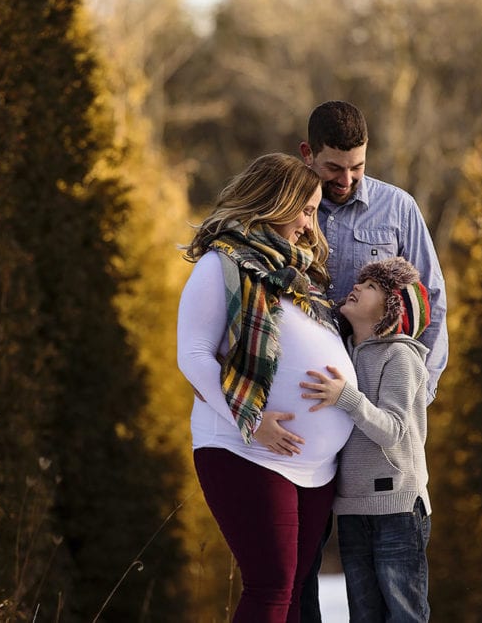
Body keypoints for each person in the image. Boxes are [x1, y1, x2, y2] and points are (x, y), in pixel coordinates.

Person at [176, 153, 358, 623]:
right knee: (272, 585)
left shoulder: (298, 278)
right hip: (246, 451)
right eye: (306, 209)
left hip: (314, 468)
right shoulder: (221, 264)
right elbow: (193, 357)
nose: (309, 224)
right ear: (276, 201)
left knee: (295, 589)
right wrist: (251, 421)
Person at [297, 100, 447, 621]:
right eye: (334, 167)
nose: (347, 178)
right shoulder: (291, 212)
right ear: (307, 155)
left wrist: (409, 401)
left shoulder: (398, 208)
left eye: (357, 166)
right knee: (304, 563)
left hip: (378, 420)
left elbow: (432, 303)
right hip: (313, 414)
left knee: (394, 580)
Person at [301, 257, 433, 622]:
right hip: (352, 509)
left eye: (372, 286)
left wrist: (346, 396)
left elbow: (393, 429)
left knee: (404, 614)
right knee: (363, 615)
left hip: (397, 509)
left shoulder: (400, 355)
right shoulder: (344, 350)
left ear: (390, 310)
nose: (357, 287)